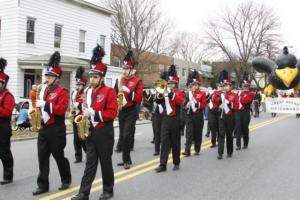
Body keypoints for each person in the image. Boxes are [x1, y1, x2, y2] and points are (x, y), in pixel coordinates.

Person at [72, 45, 117, 200]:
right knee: (90, 164)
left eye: (96, 76)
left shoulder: (110, 92)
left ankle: (108, 190)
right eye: (91, 76)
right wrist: (83, 112)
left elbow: (112, 113)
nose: (92, 79)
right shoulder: (87, 91)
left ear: (102, 77)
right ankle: (84, 193)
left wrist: (95, 114)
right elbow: (85, 108)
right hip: (91, 131)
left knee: (105, 163)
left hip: (105, 132)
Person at [33, 52, 72, 195]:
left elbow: (61, 110)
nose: (47, 78)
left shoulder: (63, 91)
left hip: (56, 129)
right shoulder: (43, 90)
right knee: (42, 157)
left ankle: (66, 179)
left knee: (58, 156)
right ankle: (42, 184)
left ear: (57, 78)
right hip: (44, 128)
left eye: (49, 76)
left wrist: (46, 104)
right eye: (46, 76)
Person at [116, 50, 143, 170]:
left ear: (132, 70)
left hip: (131, 110)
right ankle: (125, 159)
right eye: (123, 68)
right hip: (122, 110)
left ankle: (127, 160)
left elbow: (138, 98)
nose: (124, 71)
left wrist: (129, 91)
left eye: (127, 69)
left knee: (127, 135)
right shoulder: (121, 80)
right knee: (122, 135)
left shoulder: (137, 81)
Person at [155, 65, 185, 173]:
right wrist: (159, 95)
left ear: (176, 84)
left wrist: (170, 93)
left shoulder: (179, 92)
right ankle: (162, 164)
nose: (170, 85)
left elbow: (180, 101)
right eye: (169, 83)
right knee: (164, 142)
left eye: (172, 83)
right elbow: (158, 102)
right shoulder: (165, 91)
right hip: (166, 119)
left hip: (176, 120)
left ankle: (176, 162)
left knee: (175, 142)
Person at [182, 70, 206, 156]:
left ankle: (197, 149)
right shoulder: (188, 94)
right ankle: (187, 151)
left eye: (196, 85)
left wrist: (196, 104)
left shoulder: (202, 93)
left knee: (197, 133)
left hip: (198, 115)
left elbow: (204, 106)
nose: (194, 86)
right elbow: (184, 105)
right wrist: (186, 105)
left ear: (198, 85)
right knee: (189, 133)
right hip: (189, 115)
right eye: (193, 85)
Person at [0, 58, 15, 185]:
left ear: (3, 83)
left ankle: (8, 175)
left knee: (4, 152)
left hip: (3, 127)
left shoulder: (8, 96)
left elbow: (6, 112)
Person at [217, 79, 237, 160]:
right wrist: (219, 107)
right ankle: (220, 153)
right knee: (221, 135)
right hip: (222, 117)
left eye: (227, 86)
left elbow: (236, 106)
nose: (225, 87)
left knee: (229, 135)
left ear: (230, 86)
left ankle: (229, 151)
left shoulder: (234, 95)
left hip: (230, 117)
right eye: (224, 86)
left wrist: (228, 104)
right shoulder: (221, 95)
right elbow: (218, 105)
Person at [70, 66, 87, 163]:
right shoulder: (74, 93)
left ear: (83, 85)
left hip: (83, 118)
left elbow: (85, 107)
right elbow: (72, 104)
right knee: (76, 140)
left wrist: (79, 105)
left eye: (79, 85)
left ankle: (89, 153)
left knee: (82, 139)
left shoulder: (85, 94)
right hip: (75, 117)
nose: (77, 86)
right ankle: (78, 157)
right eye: (77, 84)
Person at [234, 80, 254, 150]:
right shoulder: (239, 93)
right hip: (238, 112)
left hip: (245, 112)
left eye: (246, 86)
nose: (245, 87)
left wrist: (240, 98)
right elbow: (235, 101)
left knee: (245, 128)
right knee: (238, 128)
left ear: (248, 87)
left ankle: (245, 143)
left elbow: (245, 101)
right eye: (244, 86)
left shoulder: (251, 93)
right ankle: (238, 145)